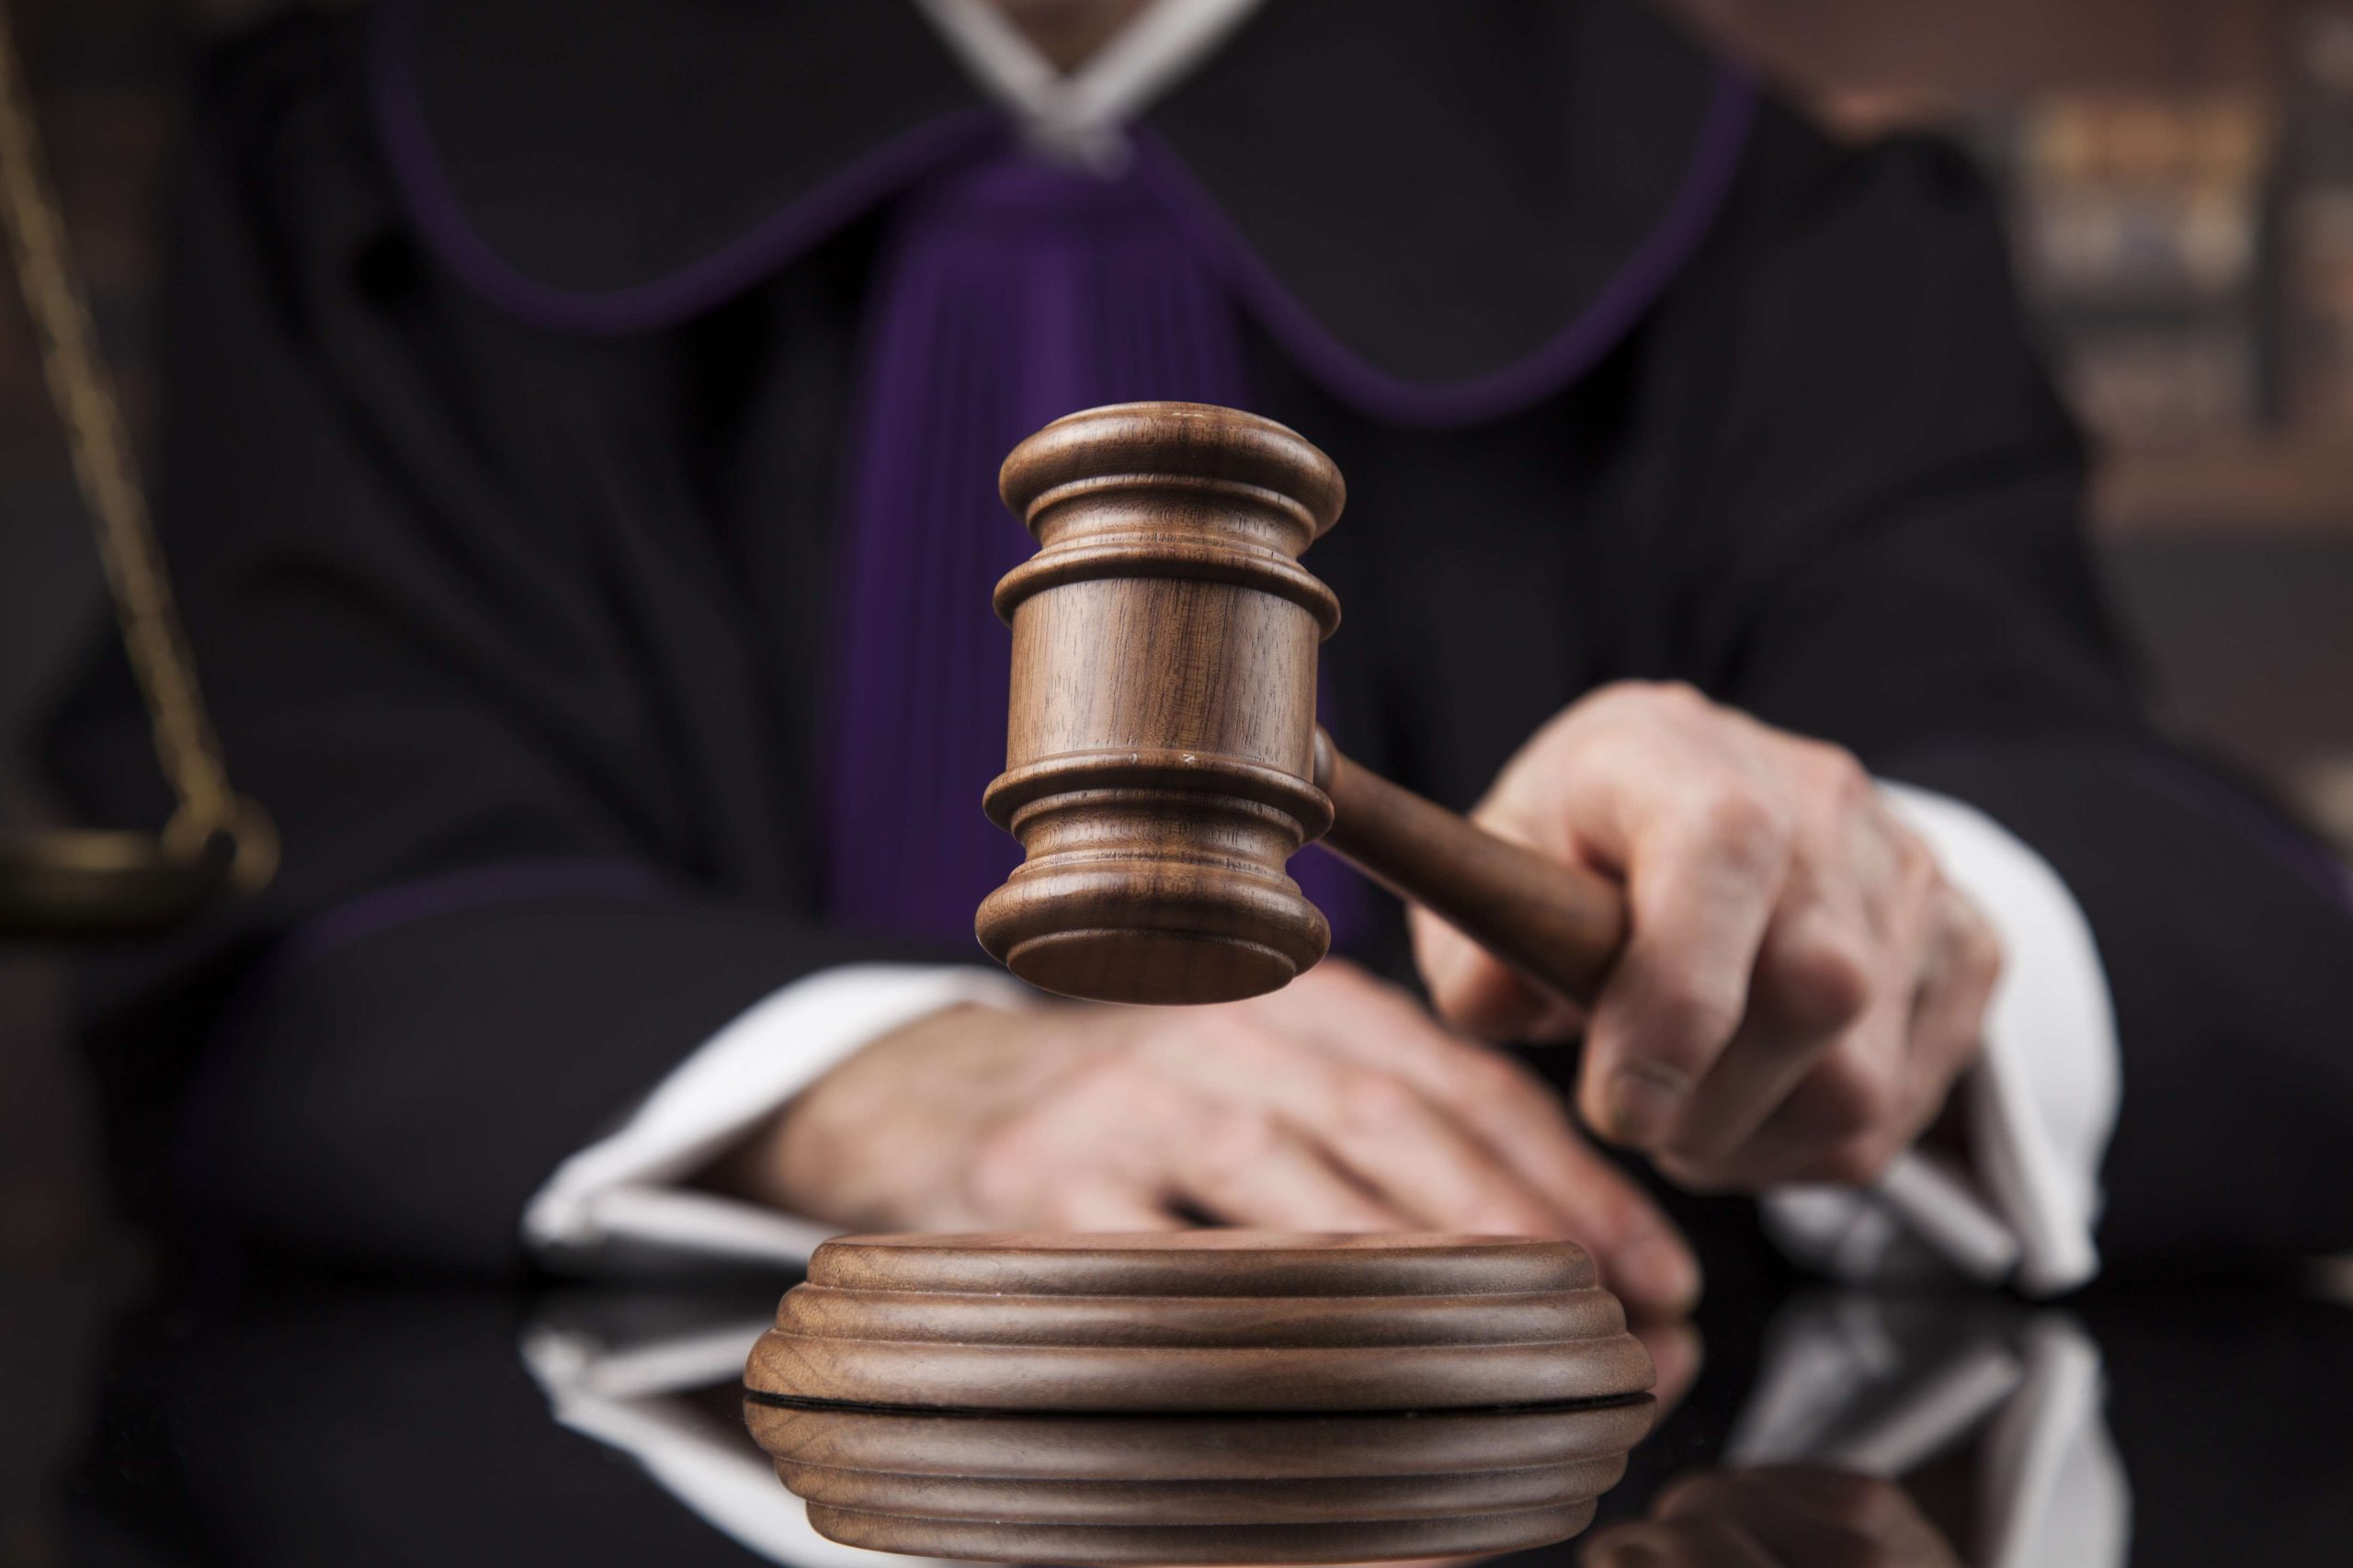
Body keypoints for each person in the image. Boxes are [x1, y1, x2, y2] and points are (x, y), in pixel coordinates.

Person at [48, 0, 2353, 1312]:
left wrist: (1884, 915)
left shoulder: (1767, 230)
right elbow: (298, 916)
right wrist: (892, 1077)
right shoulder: (366, 170)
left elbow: (2213, 930)